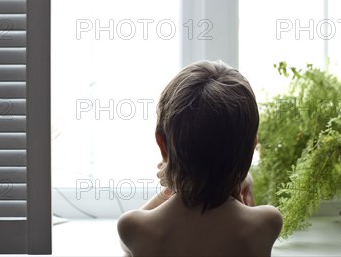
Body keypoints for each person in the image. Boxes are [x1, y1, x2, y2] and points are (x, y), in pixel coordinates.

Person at [117, 61, 283, 256]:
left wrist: (176, 183)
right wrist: (241, 180)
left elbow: (129, 241)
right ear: (252, 147)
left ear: (162, 145)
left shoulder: (134, 228)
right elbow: (247, 212)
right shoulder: (267, 223)